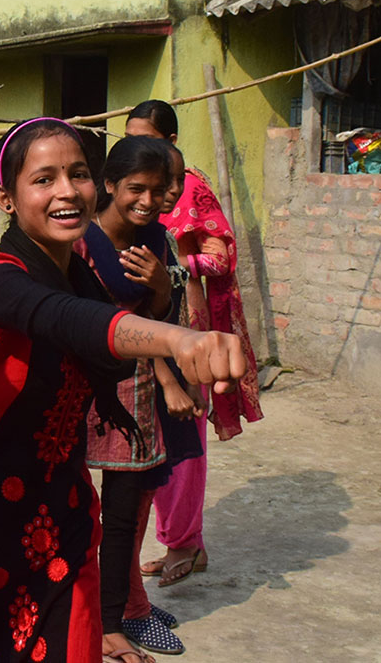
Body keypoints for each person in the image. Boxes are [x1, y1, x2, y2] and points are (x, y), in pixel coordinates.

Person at [0, 118, 247, 663]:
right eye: (44, 179)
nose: (67, 191)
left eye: (77, 174)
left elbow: (101, 320)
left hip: (60, 507)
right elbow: (69, 320)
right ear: (6, 197)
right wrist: (178, 338)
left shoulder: (77, 271)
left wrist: (166, 306)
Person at [125, 100, 264, 589]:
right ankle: (174, 535)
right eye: (130, 137)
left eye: (148, 138)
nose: (139, 147)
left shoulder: (190, 186)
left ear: (171, 141)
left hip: (187, 321)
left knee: (184, 435)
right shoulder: (135, 189)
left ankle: (186, 541)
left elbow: (220, 257)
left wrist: (176, 271)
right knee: (152, 431)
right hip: (145, 323)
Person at [74, 136, 195, 659]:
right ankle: (87, 611)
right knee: (75, 508)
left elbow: (164, 320)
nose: (148, 201)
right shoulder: (80, 241)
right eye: (136, 189)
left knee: (126, 514)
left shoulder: (156, 241)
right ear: (109, 186)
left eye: (159, 190)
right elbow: (80, 323)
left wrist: (164, 292)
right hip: (83, 392)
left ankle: (115, 615)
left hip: (139, 390)